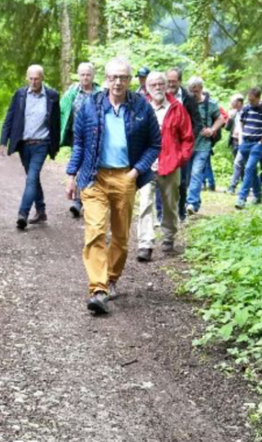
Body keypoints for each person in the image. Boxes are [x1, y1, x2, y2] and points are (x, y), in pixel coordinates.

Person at [65, 58, 160, 315]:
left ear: (130, 80)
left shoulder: (141, 106)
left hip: (125, 177)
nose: (118, 82)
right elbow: (80, 144)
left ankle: (112, 277)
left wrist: (136, 172)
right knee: (95, 230)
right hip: (94, 176)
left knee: (120, 234)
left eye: (123, 77)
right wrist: (72, 174)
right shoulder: (89, 105)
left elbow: (155, 144)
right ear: (106, 79)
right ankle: (99, 289)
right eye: (114, 77)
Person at [136, 71, 193, 262]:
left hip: (170, 164)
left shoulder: (177, 108)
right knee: (145, 203)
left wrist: (180, 158)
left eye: (161, 84)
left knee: (169, 204)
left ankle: (168, 237)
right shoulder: (141, 107)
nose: (158, 87)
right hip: (146, 165)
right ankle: (145, 244)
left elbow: (187, 137)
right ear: (148, 88)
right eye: (154, 85)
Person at [0, 64, 62, 230]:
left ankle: (23, 214)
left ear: (42, 78)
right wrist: (3, 140)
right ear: (27, 78)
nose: (34, 82)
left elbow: (56, 123)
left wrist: (55, 145)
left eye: (37, 78)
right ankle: (41, 211)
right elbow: (10, 117)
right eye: (31, 78)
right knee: (33, 179)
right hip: (24, 145)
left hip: (42, 144)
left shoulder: (52, 96)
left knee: (32, 178)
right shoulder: (20, 95)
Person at [60, 62, 100, 219]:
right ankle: (79, 200)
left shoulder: (100, 93)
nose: (85, 77)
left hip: (95, 136)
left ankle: (80, 200)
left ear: (92, 76)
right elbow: (62, 112)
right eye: (82, 74)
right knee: (77, 164)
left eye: (88, 74)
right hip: (76, 135)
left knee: (88, 166)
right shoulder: (72, 92)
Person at [183, 76, 225, 215]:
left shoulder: (210, 104)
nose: (193, 93)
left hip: (203, 146)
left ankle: (192, 203)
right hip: (187, 145)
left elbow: (221, 118)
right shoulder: (185, 102)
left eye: (195, 90)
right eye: (191, 90)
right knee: (187, 176)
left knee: (196, 174)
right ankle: (187, 201)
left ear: (201, 89)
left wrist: (212, 129)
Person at [165, 67, 201, 221]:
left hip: (181, 147)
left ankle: (180, 212)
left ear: (180, 81)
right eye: (169, 81)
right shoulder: (159, 95)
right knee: (162, 179)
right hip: (163, 146)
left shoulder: (188, 99)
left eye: (174, 81)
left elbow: (198, 123)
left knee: (182, 180)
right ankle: (164, 212)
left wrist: (188, 140)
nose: (171, 84)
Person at [235, 87, 262, 209]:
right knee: (251, 170)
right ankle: (258, 195)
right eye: (248, 99)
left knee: (248, 168)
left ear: (258, 98)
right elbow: (241, 123)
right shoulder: (246, 108)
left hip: (258, 144)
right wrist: (241, 138)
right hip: (245, 143)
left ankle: (241, 198)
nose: (250, 102)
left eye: (252, 100)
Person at [225, 94, 245, 194]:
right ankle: (246, 186)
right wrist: (229, 118)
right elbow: (227, 128)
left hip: (244, 142)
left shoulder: (246, 112)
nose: (231, 103)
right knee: (240, 164)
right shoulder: (233, 113)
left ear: (239, 102)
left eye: (232, 101)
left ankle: (232, 186)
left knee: (238, 163)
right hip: (234, 141)